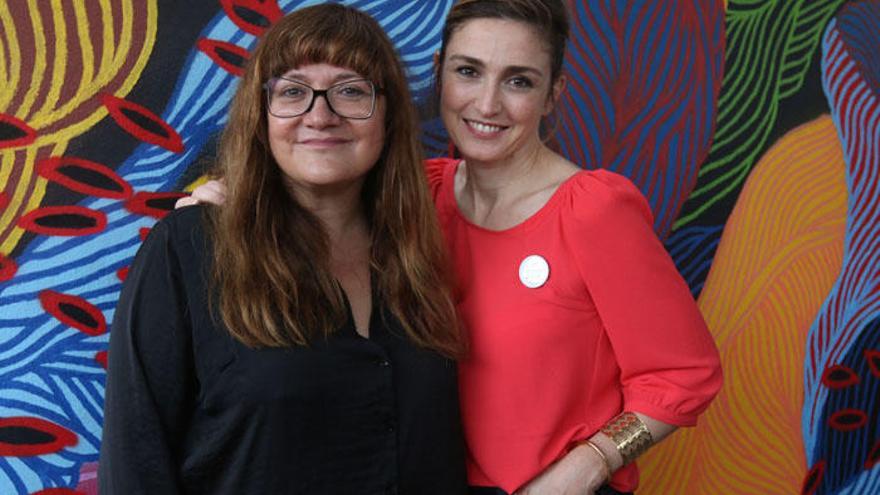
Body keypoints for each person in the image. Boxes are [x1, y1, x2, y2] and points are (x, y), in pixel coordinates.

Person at [182, 1, 723, 494]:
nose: (487, 103)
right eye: (468, 71)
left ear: (553, 92)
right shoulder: (417, 196)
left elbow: (683, 374)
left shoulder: (593, 210)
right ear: (440, 71)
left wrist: (590, 463)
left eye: (519, 81)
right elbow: (317, 193)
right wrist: (234, 201)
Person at [99, 4, 467, 494]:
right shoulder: (190, 249)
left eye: (351, 91)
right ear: (261, 115)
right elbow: (135, 463)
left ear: (389, 116)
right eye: (293, 92)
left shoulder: (418, 254)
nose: (321, 114)